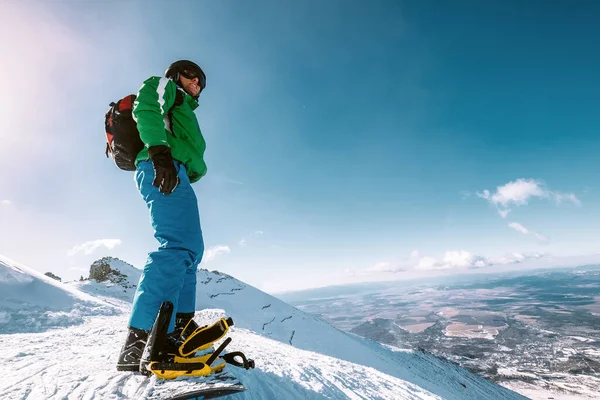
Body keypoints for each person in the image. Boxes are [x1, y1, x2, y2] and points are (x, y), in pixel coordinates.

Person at [117, 60, 208, 371]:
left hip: (175, 171)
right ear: (176, 74)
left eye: (201, 82)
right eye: (191, 74)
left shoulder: (183, 107)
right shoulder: (163, 85)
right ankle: (142, 342)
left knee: (191, 250)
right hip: (161, 167)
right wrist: (159, 154)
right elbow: (146, 109)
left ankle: (178, 332)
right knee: (178, 247)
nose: (196, 82)